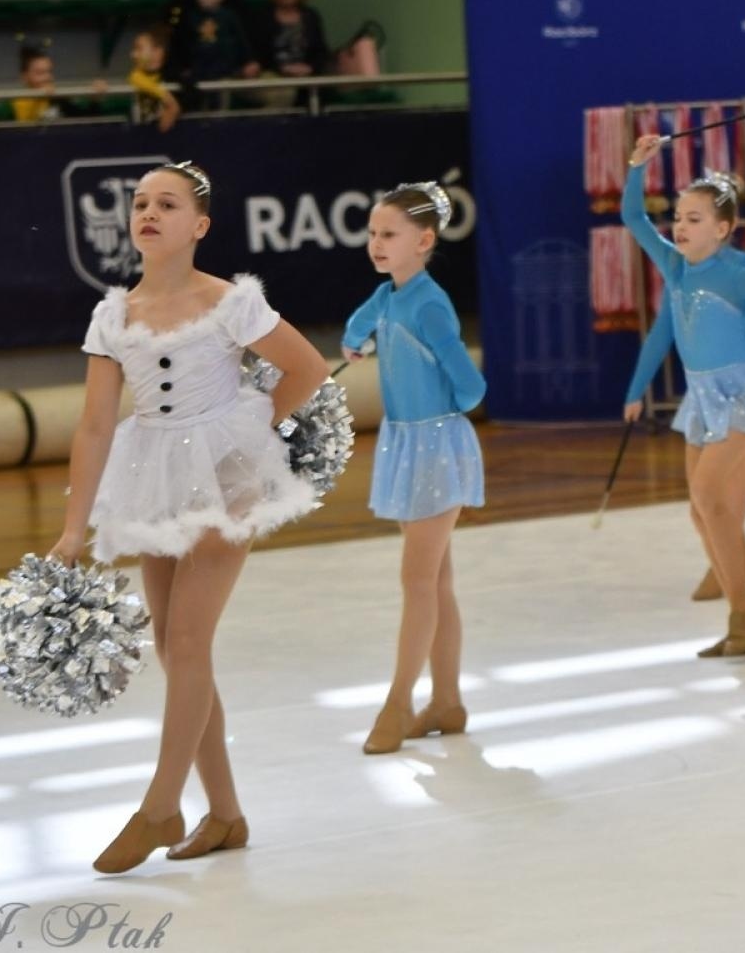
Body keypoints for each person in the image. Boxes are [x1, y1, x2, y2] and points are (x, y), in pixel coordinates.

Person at [51, 161, 329, 873]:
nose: (148, 212)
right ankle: (227, 814)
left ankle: (160, 807)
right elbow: (93, 426)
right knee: (176, 655)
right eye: (140, 202)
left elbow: (307, 368)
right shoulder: (111, 315)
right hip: (151, 478)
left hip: (227, 479)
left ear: (198, 225)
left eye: (166, 203)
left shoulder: (231, 301)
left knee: (188, 639)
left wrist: (249, 432)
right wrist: (71, 529)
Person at [624, 136, 745, 657]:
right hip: (703, 395)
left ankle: (744, 615)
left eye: (693, 219)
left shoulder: (733, 272)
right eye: (679, 218)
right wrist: (638, 167)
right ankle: (742, 600)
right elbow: (635, 220)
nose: (679, 227)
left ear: (723, 229)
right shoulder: (675, 267)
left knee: (709, 499)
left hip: (743, 394)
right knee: (700, 508)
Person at [342, 182, 485, 755]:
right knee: (436, 583)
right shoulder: (391, 296)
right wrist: (357, 342)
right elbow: (361, 320)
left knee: (418, 582)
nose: (376, 243)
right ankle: (446, 701)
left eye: (389, 234)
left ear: (423, 241)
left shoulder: (428, 303)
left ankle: (398, 704)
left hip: (435, 446)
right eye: (373, 233)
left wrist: (447, 395)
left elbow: (473, 388)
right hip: (407, 445)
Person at [128, 25, 179, 132]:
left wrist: (173, 107)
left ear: (157, 51)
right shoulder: (136, 76)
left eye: (138, 49)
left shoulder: (172, 75)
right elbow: (138, 79)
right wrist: (171, 104)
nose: (133, 55)